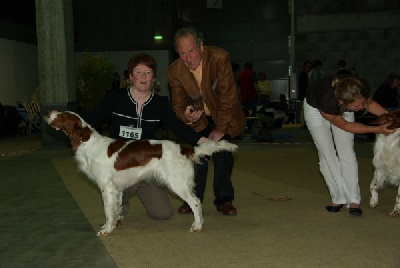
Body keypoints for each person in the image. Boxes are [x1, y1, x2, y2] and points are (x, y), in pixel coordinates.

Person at [81, 53, 210, 222]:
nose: (143, 77)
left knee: (162, 213)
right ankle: (119, 206)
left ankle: (133, 193)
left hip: (148, 165)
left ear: (153, 77)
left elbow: (178, 127)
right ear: (130, 76)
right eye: (138, 72)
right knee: (119, 187)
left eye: (148, 72)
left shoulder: (160, 103)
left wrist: (203, 141)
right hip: (120, 166)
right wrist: (65, 119)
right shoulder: (115, 98)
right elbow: (91, 118)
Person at [167, 27, 246, 216]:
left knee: (223, 155)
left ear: (201, 47)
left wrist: (220, 130)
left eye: (191, 51)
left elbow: (228, 97)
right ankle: (193, 199)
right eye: (182, 53)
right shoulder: (174, 71)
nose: (188, 58)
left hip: (223, 116)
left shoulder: (219, 58)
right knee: (197, 158)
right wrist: (186, 116)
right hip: (199, 120)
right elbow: (178, 105)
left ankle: (224, 199)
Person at [304, 75, 395, 216]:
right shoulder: (327, 101)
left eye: (361, 103)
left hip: (341, 107)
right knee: (327, 153)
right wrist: (377, 129)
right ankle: (338, 197)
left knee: (347, 152)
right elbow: (346, 125)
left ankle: (354, 200)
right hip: (315, 108)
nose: (360, 108)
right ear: (342, 102)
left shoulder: (360, 87)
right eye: (356, 106)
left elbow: (369, 104)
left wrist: (391, 118)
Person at [237, 62, 259, 132]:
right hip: (252, 96)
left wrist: (240, 97)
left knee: (245, 113)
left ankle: (244, 127)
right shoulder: (253, 74)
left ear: (245, 67)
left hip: (244, 97)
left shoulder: (240, 75)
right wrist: (259, 94)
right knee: (253, 113)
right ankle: (249, 127)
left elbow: (238, 88)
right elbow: (255, 85)